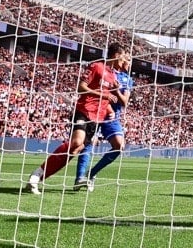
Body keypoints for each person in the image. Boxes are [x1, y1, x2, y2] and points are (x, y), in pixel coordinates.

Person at [24, 43, 128, 194]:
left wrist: (112, 100)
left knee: (75, 150)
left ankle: (38, 178)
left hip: (97, 119)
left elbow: (112, 100)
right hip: (84, 110)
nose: (123, 62)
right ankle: (35, 175)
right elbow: (81, 87)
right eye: (123, 58)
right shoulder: (96, 66)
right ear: (116, 55)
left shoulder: (114, 77)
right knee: (76, 143)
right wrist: (103, 95)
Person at [73, 52, 133, 190]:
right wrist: (108, 107)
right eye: (128, 59)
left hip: (112, 118)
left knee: (119, 145)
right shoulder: (108, 71)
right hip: (97, 110)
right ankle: (79, 177)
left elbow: (124, 102)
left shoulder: (128, 79)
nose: (129, 63)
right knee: (86, 144)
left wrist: (117, 91)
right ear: (121, 59)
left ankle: (91, 174)